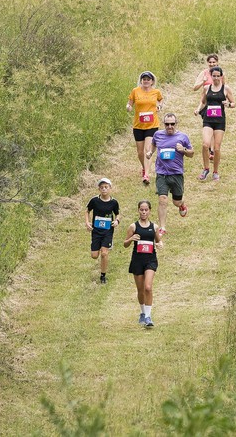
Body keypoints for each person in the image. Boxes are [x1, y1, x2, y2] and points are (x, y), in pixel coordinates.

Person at [145, 113, 194, 231]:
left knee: (176, 202)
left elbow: (192, 153)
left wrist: (184, 150)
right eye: (167, 124)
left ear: (176, 124)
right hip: (162, 174)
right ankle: (162, 228)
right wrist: (150, 152)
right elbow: (153, 145)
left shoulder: (183, 137)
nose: (170, 126)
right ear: (164, 124)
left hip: (176, 174)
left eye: (172, 124)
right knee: (162, 200)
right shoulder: (158, 135)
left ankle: (182, 204)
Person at [123, 200, 163, 328]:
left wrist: (160, 244)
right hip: (137, 260)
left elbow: (158, 240)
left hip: (150, 259)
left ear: (150, 211)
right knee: (140, 290)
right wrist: (131, 239)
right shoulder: (133, 227)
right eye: (141, 209)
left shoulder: (154, 227)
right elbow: (125, 244)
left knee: (148, 287)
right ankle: (142, 312)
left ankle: (148, 316)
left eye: (146, 210)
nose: (144, 212)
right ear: (138, 210)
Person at [197, 66, 234, 181]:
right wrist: (198, 109)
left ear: (221, 76)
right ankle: (206, 169)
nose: (216, 78)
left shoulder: (225, 89)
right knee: (205, 144)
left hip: (219, 121)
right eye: (214, 76)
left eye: (218, 76)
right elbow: (202, 102)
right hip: (208, 120)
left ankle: (215, 171)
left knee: (217, 148)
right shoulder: (207, 88)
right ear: (211, 76)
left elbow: (233, 103)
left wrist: (228, 104)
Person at [127, 71, 164, 185]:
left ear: (152, 81)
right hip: (138, 125)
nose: (146, 81)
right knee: (140, 152)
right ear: (141, 81)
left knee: (148, 150)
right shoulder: (135, 91)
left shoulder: (156, 92)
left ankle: (146, 175)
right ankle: (144, 167)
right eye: (144, 79)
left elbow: (161, 100)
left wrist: (160, 106)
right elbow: (130, 103)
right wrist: (128, 107)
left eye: (148, 79)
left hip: (152, 125)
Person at [85, 177, 120, 284]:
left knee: (104, 253)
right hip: (96, 231)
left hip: (108, 231)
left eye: (106, 187)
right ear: (99, 189)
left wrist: (117, 220)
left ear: (110, 188)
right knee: (94, 255)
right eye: (102, 187)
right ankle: (101, 248)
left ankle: (103, 276)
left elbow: (117, 213)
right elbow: (87, 211)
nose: (104, 189)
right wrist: (87, 222)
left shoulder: (114, 202)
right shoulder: (94, 200)